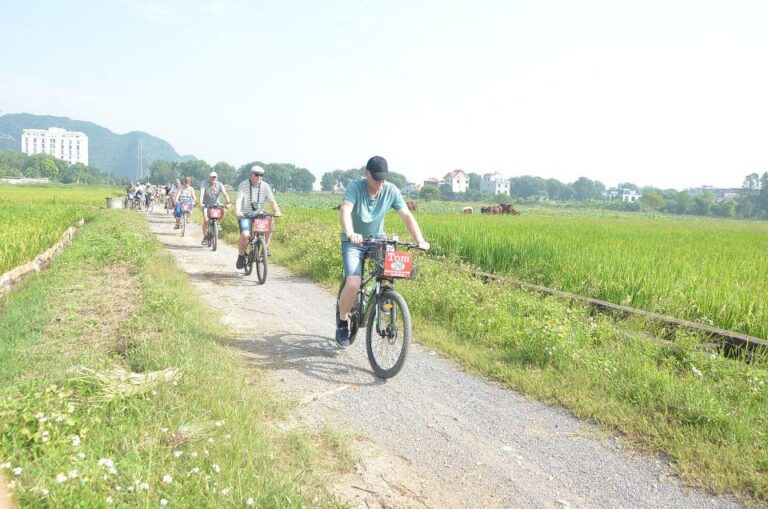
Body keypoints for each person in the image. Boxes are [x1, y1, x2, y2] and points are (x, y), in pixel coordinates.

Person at [335, 156, 430, 348]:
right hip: (354, 242)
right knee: (353, 282)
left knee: (389, 270)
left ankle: (381, 297)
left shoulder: (390, 190)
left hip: (377, 239)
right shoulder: (355, 187)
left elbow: (406, 215)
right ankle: (343, 321)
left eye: (383, 179)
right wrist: (350, 232)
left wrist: (420, 240)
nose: (380, 183)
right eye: (376, 178)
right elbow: (345, 210)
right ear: (366, 174)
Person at [234, 165, 282, 269]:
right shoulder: (243, 185)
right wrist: (238, 210)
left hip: (259, 214)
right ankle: (241, 256)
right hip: (245, 215)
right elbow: (239, 199)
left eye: (261, 175)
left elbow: (272, 201)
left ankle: (265, 248)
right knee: (246, 235)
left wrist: (276, 210)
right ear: (251, 175)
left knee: (270, 220)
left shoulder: (265, 186)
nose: (258, 177)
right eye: (256, 174)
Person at [199, 171, 232, 245]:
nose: (213, 178)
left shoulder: (220, 184)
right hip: (206, 205)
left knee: (224, 209)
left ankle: (218, 223)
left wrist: (228, 202)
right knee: (206, 220)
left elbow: (225, 193)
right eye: (212, 177)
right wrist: (201, 202)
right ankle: (205, 237)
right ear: (209, 177)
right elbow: (201, 193)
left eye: (215, 177)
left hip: (217, 204)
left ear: (217, 178)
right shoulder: (204, 184)